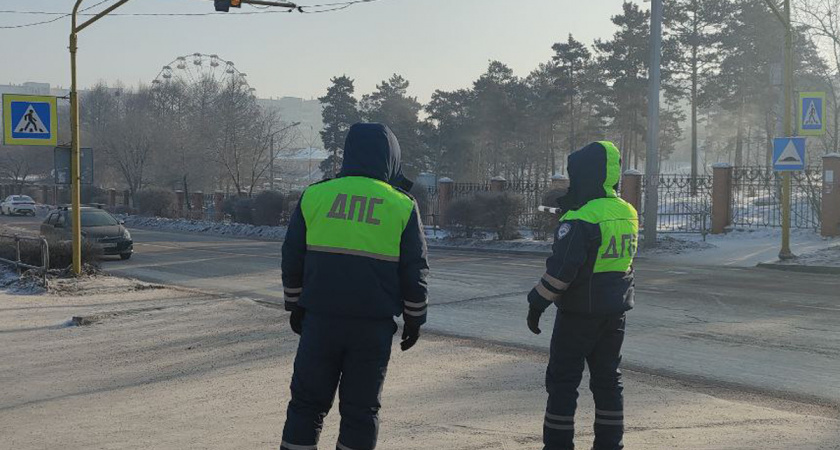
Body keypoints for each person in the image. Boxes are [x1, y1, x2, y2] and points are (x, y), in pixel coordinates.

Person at [280, 123, 429, 450]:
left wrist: (295, 306)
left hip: (320, 322)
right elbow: (414, 271)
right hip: (371, 330)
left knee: (306, 406)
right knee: (361, 412)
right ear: (391, 158)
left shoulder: (315, 195)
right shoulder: (401, 205)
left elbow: (292, 257)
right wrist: (415, 320)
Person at [526, 141, 638, 450]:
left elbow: (562, 271)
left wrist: (537, 302)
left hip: (578, 316)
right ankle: (610, 445)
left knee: (563, 383)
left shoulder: (583, 217)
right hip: (614, 314)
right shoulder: (627, 211)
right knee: (608, 382)